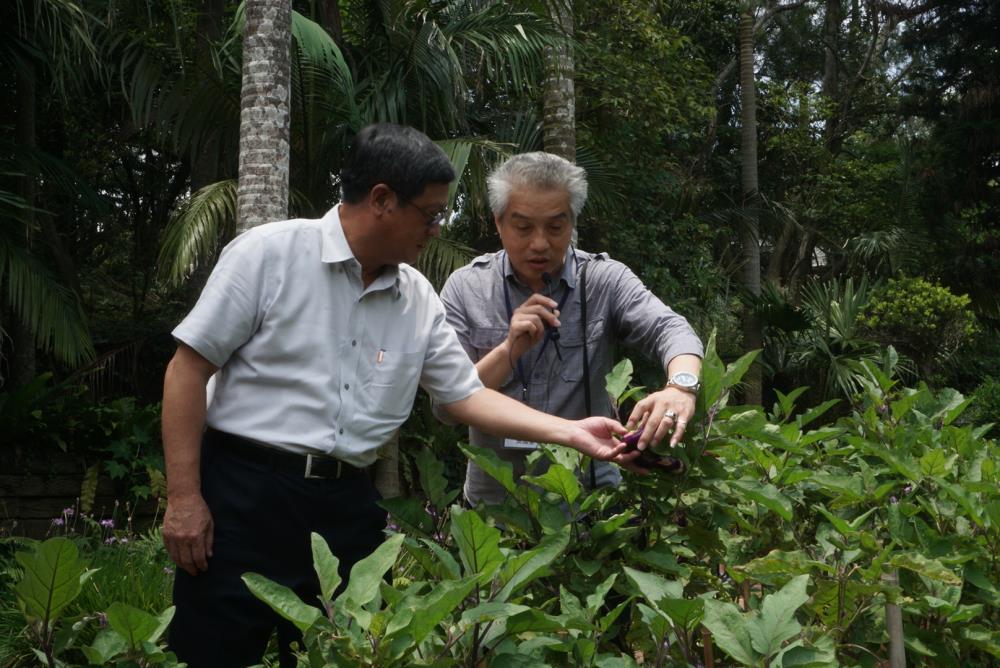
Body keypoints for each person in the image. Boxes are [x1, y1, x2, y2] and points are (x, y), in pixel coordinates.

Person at [160, 125, 636, 667]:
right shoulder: (269, 255)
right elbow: (187, 370)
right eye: (430, 214)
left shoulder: (417, 298)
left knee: (350, 654)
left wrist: (573, 431)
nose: (437, 229)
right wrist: (183, 498)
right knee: (214, 654)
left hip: (347, 508)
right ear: (382, 200)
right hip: (243, 498)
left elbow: (463, 395)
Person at [438, 151, 704, 506]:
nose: (539, 243)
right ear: (498, 223)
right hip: (495, 509)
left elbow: (670, 329)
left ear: (573, 222)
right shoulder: (465, 288)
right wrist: (509, 350)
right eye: (522, 227)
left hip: (589, 507)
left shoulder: (603, 280)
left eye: (555, 226)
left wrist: (680, 387)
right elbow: (445, 408)